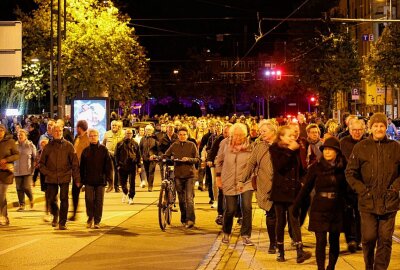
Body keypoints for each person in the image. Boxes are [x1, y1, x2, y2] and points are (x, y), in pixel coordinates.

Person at [346, 112, 400, 270]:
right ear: (370, 128)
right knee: (369, 237)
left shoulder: (395, 147)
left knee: (385, 239)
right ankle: (369, 265)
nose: (379, 128)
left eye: (382, 125)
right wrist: (362, 190)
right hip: (367, 201)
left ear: (386, 127)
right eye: (375, 126)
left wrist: (395, 188)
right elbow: (350, 173)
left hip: (389, 201)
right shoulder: (361, 147)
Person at [294, 137, 347, 270]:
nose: (327, 152)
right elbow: (306, 188)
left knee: (334, 241)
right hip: (319, 208)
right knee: (321, 241)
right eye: (325, 150)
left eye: (330, 150)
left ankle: (331, 267)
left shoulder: (343, 168)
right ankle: (321, 268)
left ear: (337, 152)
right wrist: (296, 205)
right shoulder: (316, 168)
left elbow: (347, 189)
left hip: (336, 208)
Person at [269, 126, 311, 263]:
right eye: (289, 136)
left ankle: (299, 251)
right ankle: (280, 252)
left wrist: (303, 181)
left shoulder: (296, 150)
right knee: (280, 221)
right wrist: (289, 150)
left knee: (294, 219)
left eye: (294, 136)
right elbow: (279, 166)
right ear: (281, 137)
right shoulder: (275, 148)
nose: (293, 138)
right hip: (280, 191)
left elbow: (301, 168)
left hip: (294, 191)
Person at [215, 123, 255, 246]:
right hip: (229, 180)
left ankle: (246, 235)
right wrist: (218, 177)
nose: (238, 137)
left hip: (245, 181)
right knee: (230, 209)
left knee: (247, 207)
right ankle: (226, 232)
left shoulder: (251, 146)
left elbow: (254, 163)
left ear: (245, 135)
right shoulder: (225, 144)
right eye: (236, 135)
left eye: (241, 135)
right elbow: (219, 161)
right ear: (232, 135)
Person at [240, 120, 277, 251]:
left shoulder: (281, 144)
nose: (262, 134)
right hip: (265, 184)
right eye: (261, 132)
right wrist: (242, 180)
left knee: (281, 215)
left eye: (264, 131)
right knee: (270, 213)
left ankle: (281, 241)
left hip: (281, 185)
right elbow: (251, 164)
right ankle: (273, 243)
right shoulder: (259, 146)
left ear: (273, 131)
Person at [39, 124, 81, 230]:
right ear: (52, 133)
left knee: (64, 199)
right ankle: (56, 214)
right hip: (51, 177)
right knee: (51, 199)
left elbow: (75, 163)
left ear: (62, 132)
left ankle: (62, 222)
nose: (58, 133)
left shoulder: (69, 146)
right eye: (56, 131)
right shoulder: (48, 147)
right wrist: (47, 173)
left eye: (60, 131)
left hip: (64, 176)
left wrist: (77, 178)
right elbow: (41, 164)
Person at [164, 126, 199, 228]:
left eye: (184, 134)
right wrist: (158, 157)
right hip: (178, 175)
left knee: (189, 198)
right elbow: (166, 155)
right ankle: (183, 218)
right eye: (180, 134)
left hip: (189, 175)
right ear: (178, 136)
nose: (182, 136)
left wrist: (188, 159)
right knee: (181, 199)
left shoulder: (191, 145)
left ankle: (191, 220)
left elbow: (197, 159)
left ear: (187, 135)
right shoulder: (174, 145)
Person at [340, 118, 366, 253]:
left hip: (363, 185)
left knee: (361, 214)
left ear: (364, 130)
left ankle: (359, 239)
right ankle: (350, 239)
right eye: (354, 130)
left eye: (359, 130)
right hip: (346, 185)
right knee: (347, 213)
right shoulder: (343, 143)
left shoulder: (368, 143)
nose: (357, 132)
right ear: (349, 130)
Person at [80, 129, 113, 229]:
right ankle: (90, 218)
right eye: (91, 136)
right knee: (89, 200)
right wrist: (81, 182)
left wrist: (110, 181)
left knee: (99, 201)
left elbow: (108, 167)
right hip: (89, 181)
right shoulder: (85, 151)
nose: (93, 137)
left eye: (95, 135)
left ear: (98, 136)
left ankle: (97, 221)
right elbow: (82, 168)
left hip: (100, 181)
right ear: (89, 138)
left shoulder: (104, 150)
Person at [69, 120, 90, 221]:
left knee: (88, 194)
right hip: (76, 169)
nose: (76, 129)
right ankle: (74, 213)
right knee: (74, 192)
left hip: (85, 169)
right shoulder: (77, 138)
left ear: (80, 128)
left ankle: (89, 214)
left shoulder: (87, 139)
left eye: (77, 127)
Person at [115, 128, 142, 205]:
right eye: (127, 133)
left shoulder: (135, 143)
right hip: (122, 166)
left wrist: (139, 166)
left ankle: (131, 197)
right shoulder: (120, 143)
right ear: (125, 134)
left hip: (132, 166)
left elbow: (138, 155)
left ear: (132, 134)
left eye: (130, 133)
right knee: (123, 183)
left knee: (132, 182)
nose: (129, 135)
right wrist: (117, 165)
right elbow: (116, 155)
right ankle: (125, 192)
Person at [0, 124, 19, 226]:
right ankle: (5, 217)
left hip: (6, 172)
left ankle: (2, 216)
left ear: (4, 131)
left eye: (1, 130)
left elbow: (17, 155)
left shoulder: (10, 142)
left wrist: (6, 160)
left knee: (1, 195)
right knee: (1, 196)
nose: (0, 132)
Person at [14, 129, 37, 211]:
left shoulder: (30, 145)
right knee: (19, 188)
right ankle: (22, 204)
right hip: (17, 170)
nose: (20, 136)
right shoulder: (14, 145)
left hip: (28, 170)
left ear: (25, 136)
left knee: (26, 187)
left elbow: (35, 157)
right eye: (18, 135)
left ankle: (31, 198)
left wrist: (34, 168)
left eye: (21, 135)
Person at [102, 120, 124, 192]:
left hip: (118, 155)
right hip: (109, 154)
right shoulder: (107, 134)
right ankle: (110, 185)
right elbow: (103, 144)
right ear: (110, 126)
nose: (114, 126)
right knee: (109, 170)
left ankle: (116, 187)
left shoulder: (122, 134)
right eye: (113, 125)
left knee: (117, 170)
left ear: (118, 127)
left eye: (115, 125)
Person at [139, 125, 160, 192]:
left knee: (151, 171)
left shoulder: (155, 138)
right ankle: (149, 183)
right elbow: (140, 148)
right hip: (145, 158)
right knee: (147, 172)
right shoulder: (143, 139)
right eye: (147, 130)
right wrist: (141, 156)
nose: (148, 131)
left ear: (152, 131)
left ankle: (150, 186)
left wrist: (154, 155)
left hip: (153, 158)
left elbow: (159, 149)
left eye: (149, 130)